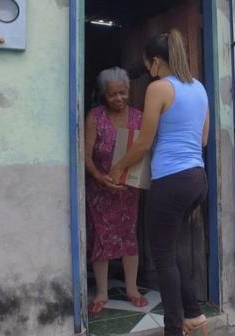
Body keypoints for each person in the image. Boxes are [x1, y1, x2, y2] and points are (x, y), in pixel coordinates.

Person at [109, 30, 210, 336]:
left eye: (147, 65)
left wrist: (119, 167)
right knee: (172, 249)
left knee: (163, 257)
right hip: (197, 178)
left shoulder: (159, 88)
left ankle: (174, 329)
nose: (148, 71)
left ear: (155, 62)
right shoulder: (200, 88)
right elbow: (203, 139)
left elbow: (144, 142)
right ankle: (195, 316)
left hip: (170, 181)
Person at [84, 67, 148, 314]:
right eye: (113, 95)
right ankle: (102, 292)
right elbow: (86, 155)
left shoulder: (140, 117)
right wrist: (99, 177)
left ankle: (132, 289)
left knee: (128, 236)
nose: (119, 98)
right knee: (101, 237)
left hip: (128, 190)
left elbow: (145, 151)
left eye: (123, 93)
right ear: (104, 95)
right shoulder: (95, 117)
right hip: (100, 191)